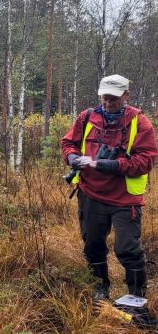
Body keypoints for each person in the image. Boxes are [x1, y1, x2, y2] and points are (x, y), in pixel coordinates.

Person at [61, 74, 158, 300]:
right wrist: (72, 158)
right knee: (93, 245)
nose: (107, 103)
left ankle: (136, 297)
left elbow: (147, 160)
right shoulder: (86, 117)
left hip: (124, 199)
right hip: (90, 194)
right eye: (104, 98)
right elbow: (68, 143)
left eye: (113, 99)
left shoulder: (139, 123)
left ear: (126, 95)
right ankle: (100, 290)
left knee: (127, 249)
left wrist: (113, 165)